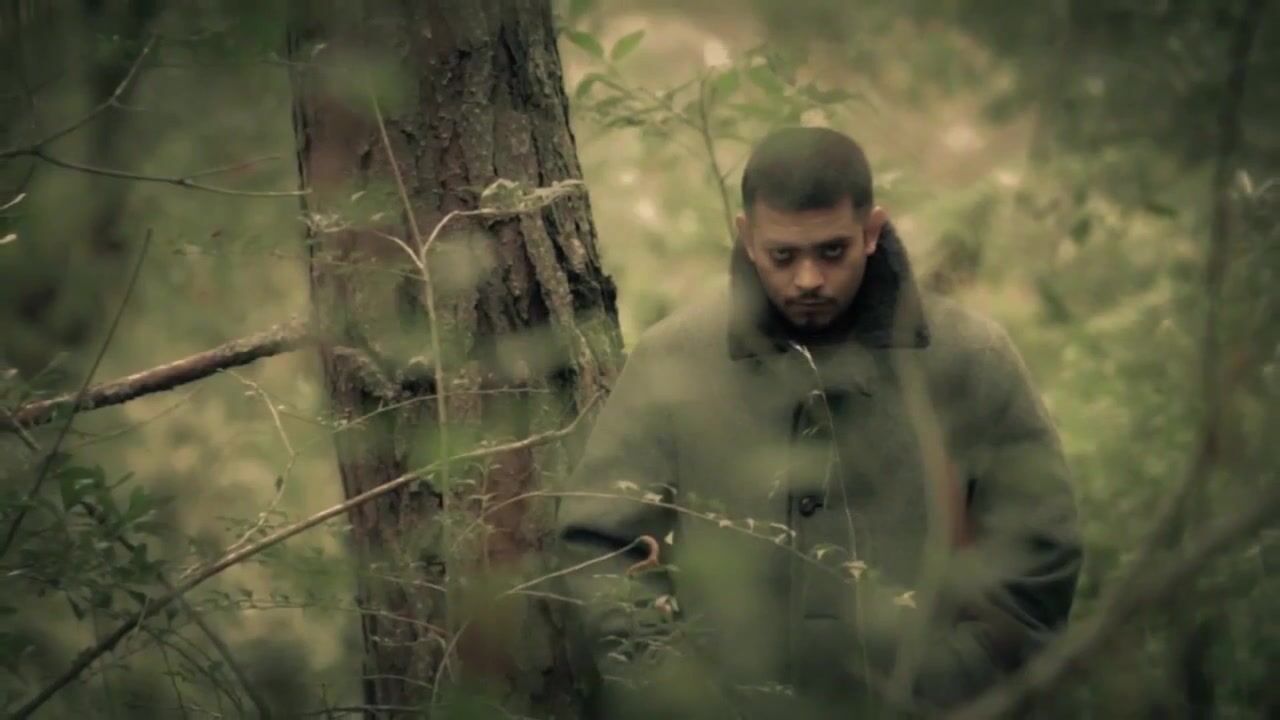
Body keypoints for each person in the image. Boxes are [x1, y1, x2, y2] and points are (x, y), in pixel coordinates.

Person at [554, 126, 1082, 719]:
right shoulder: (673, 359)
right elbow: (599, 543)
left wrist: (935, 690)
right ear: (747, 238)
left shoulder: (971, 359)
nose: (808, 279)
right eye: (783, 255)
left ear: (872, 232)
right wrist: (674, 689)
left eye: (832, 251)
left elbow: (1039, 559)